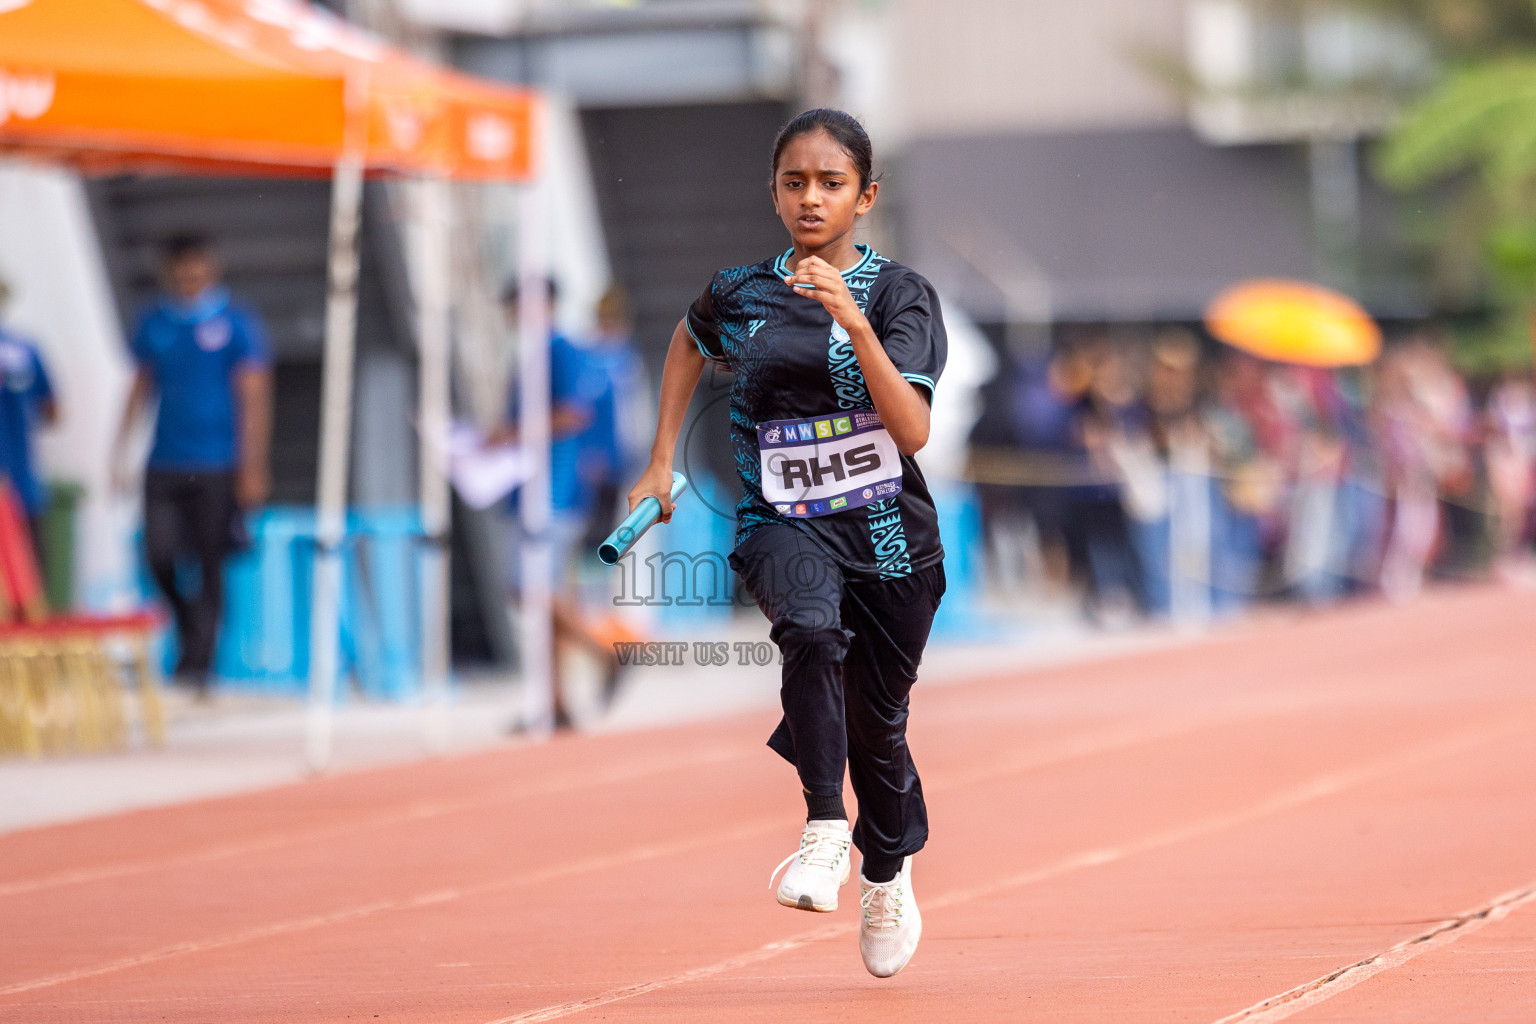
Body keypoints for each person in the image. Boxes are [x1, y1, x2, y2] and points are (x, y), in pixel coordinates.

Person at [625, 109, 946, 978]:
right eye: (795, 182)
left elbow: (911, 430)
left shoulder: (900, 294)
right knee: (806, 629)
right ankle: (821, 827)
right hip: (780, 521)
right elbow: (688, 342)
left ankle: (887, 871)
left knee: (879, 728)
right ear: (773, 192)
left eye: (831, 183)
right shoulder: (739, 292)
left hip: (888, 540)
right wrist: (661, 462)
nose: (812, 198)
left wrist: (856, 323)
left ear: (865, 197)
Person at [113, 236, 272, 696]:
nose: (190, 280)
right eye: (182, 272)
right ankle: (186, 629)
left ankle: (199, 663)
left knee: (210, 561)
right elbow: (140, 387)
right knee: (159, 556)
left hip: (218, 463)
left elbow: (254, 394)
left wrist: (253, 463)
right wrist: (120, 450)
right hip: (165, 459)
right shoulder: (154, 321)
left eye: (198, 271)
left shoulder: (235, 321)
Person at [0, 275, 59, 569]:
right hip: (22, 482)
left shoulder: (23, 350)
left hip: (21, 482)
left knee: (29, 571)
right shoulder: (24, 349)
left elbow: (52, 409)